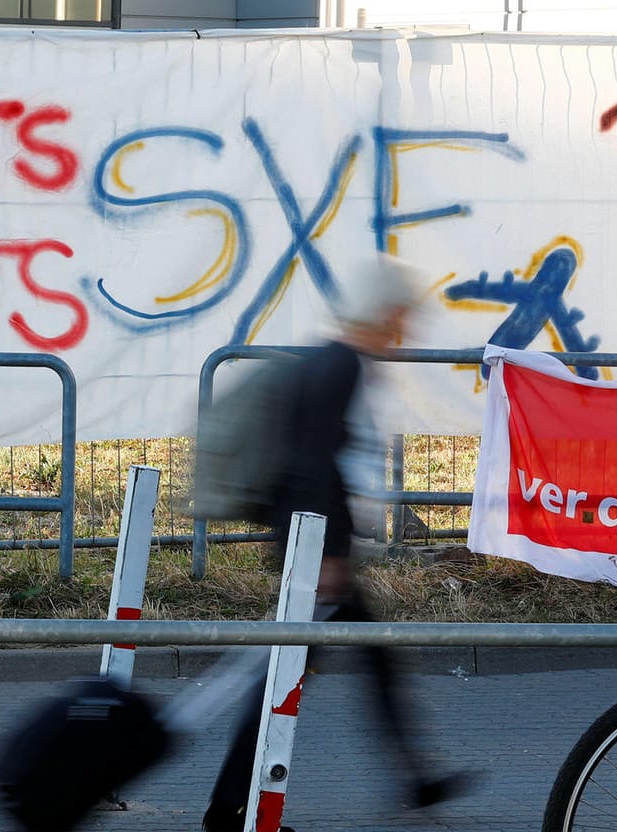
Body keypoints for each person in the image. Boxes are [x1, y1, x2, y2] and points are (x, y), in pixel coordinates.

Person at [201, 253, 472, 832]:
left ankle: (415, 777)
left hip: (315, 545)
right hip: (315, 551)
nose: (406, 328)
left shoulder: (332, 361)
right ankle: (229, 810)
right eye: (402, 315)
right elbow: (311, 465)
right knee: (280, 680)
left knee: (369, 661)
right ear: (384, 313)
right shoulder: (341, 366)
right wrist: (324, 558)